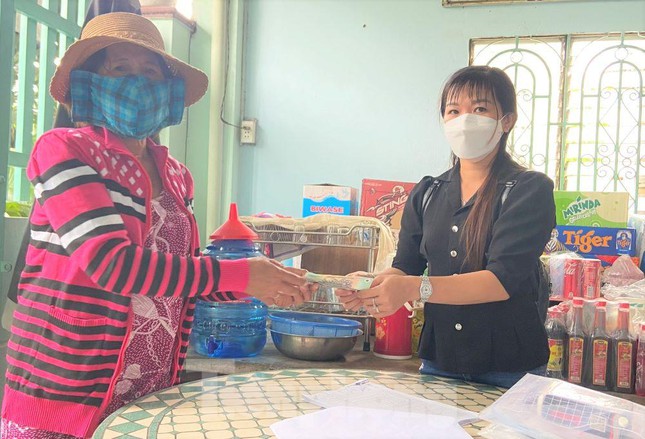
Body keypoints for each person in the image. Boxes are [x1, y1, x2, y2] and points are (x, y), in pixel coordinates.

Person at [1, 12, 310, 438]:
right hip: (67, 390)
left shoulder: (177, 175)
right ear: (90, 81)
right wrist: (241, 273)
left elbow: (184, 276)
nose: (138, 82)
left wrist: (264, 282)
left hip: (148, 392)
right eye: (120, 68)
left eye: (151, 71)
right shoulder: (63, 150)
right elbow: (112, 265)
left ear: (168, 90)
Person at [337, 66, 556, 388]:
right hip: (440, 360)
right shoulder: (428, 192)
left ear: (507, 120)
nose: (464, 120)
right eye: (454, 111)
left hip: (509, 367)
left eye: (479, 109)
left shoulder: (528, 189)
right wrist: (372, 285)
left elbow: (500, 281)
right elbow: (406, 266)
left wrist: (413, 288)